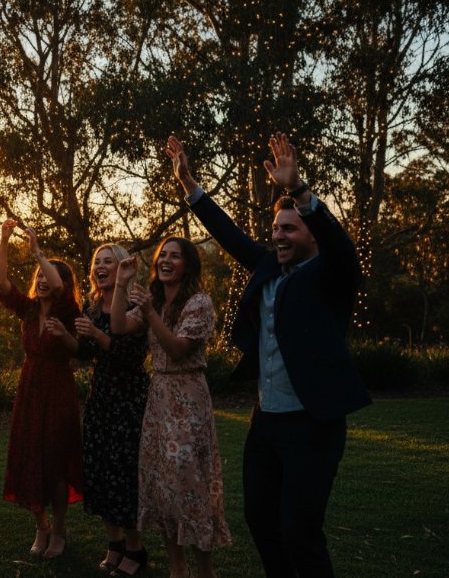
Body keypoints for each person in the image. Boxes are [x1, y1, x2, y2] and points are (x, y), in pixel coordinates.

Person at [167, 133, 370, 578]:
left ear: (311, 237)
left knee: (300, 530)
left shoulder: (330, 274)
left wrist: (299, 190)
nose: (278, 235)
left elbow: (343, 250)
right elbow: (227, 233)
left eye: (289, 228)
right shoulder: (266, 265)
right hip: (266, 422)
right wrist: (190, 185)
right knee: (260, 519)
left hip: (312, 425)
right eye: (275, 229)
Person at [110, 236, 231, 578]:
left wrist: (149, 310)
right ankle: (178, 568)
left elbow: (179, 349)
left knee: (191, 485)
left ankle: (205, 571)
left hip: (188, 398)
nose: (165, 260)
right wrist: (121, 284)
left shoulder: (199, 303)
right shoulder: (155, 301)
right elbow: (119, 327)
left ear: (188, 265)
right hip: (159, 398)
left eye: (175, 256)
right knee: (163, 486)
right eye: (163, 255)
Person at [0, 219, 84, 559]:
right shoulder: (29, 310)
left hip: (58, 390)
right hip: (30, 389)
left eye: (49, 276)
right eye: (39, 277)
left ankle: (59, 530)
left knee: (57, 462)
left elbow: (60, 289)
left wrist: (38, 252)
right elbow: (1, 282)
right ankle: (41, 525)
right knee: (29, 458)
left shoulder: (67, 309)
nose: (43, 281)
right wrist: (2, 240)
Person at [73, 243, 150, 575]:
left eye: (108, 262)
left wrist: (98, 337)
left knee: (124, 474)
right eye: (97, 262)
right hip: (101, 397)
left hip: (128, 399)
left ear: (123, 268)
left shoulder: (135, 305)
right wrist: (70, 336)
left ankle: (136, 549)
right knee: (101, 470)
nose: (100, 267)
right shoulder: (91, 305)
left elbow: (130, 357)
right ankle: (114, 544)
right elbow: (87, 354)